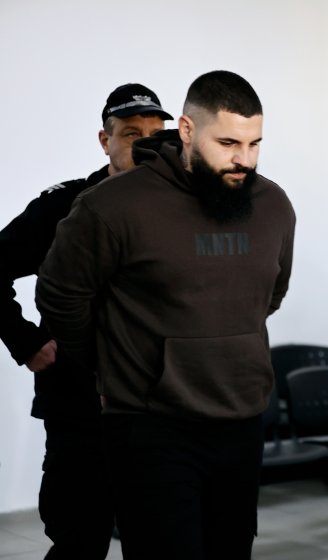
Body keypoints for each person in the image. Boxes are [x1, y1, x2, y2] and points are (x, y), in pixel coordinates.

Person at [35, 70, 296, 560]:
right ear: (187, 130)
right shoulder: (112, 205)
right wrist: (110, 362)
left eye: (254, 144)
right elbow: (59, 296)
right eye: (228, 143)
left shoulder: (273, 204)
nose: (244, 159)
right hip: (150, 426)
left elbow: (269, 295)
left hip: (242, 420)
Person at [0, 83, 171, 559]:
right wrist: (25, 341)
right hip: (79, 406)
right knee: (79, 539)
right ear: (104, 139)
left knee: (160, 540)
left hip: (159, 407)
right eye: (131, 133)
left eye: (156, 135)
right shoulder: (63, 207)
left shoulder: (182, 208)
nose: (145, 145)